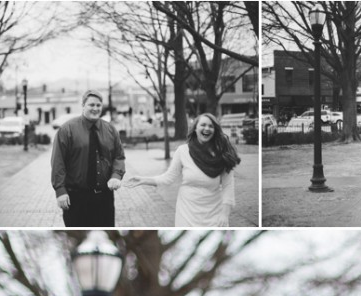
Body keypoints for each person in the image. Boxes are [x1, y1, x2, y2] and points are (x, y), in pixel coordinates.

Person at [123, 112, 239, 226]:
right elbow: (168, 178)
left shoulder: (223, 154)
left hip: (214, 213)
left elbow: (228, 187)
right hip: (187, 212)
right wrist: (143, 180)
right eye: (203, 125)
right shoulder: (183, 151)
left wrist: (224, 214)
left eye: (211, 126)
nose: (207, 128)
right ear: (195, 129)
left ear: (215, 131)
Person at [50, 90, 125, 227]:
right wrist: (60, 191)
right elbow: (58, 162)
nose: (95, 109)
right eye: (91, 105)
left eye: (98, 105)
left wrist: (116, 176)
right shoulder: (67, 130)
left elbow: (118, 157)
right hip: (76, 199)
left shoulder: (111, 130)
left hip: (104, 199)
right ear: (83, 105)